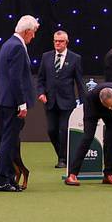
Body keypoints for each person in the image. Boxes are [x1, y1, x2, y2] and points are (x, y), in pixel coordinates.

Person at [0, 15, 39, 192]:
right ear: (27, 31)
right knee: (8, 141)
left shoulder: (7, 44)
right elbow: (16, 78)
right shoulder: (17, 47)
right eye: (33, 32)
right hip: (12, 102)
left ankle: (9, 178)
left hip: (4, 100)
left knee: (10, 141)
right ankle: (1, 180)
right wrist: (21, 103)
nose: (33, 36)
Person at [37, 30, 87, 169]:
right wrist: (41, 92)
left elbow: (79, 82)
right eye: (55, 41)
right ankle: (62, 154)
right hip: (50, 101)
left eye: (60, 41)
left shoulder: (75, 58)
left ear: (66, 42)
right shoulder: (46, 57)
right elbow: (41, 79)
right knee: (52, 131)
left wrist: (84, 103)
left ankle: (62, 159)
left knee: (64, 130)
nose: (57, 43)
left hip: (67, 102)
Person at [64, 83, 112, 187]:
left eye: (111, 106)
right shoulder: (92, 97)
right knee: (88, 137)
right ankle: (72, 175)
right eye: (107, 106)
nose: (109, 108)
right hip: (93, 109)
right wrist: (111, 107)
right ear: (101, 101)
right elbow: (104, 106)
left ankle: (108, 174)